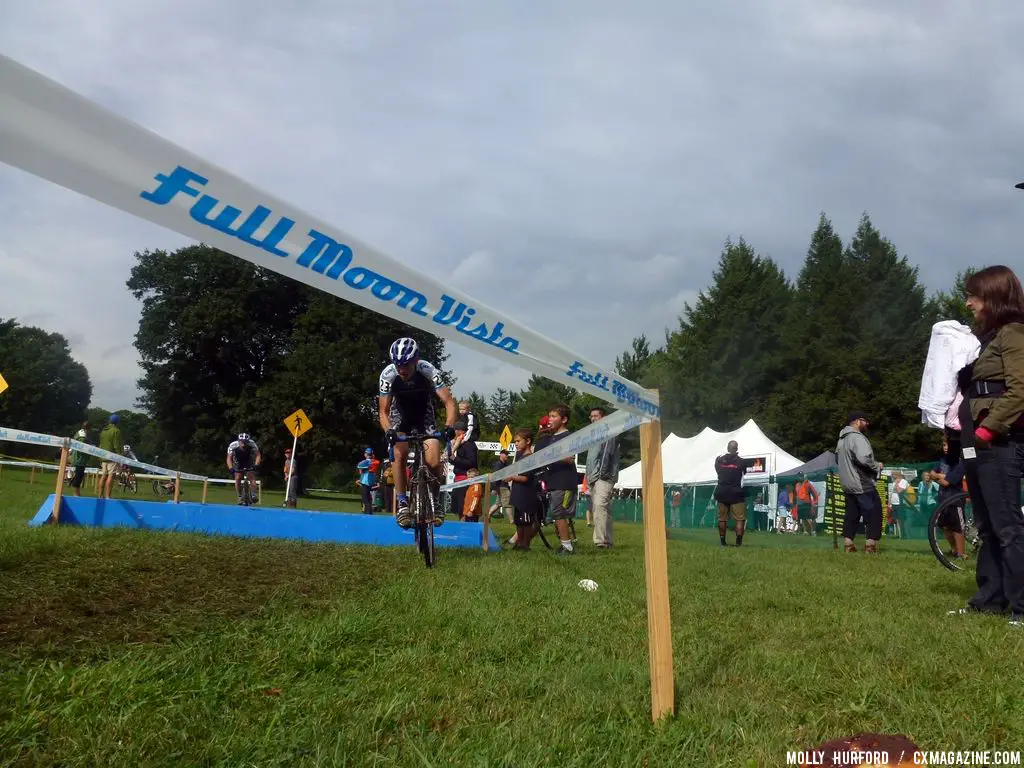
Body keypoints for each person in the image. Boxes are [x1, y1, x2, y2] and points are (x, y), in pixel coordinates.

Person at [951, 265, 1024, 624]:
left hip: (998, 444)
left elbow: (1020, 391)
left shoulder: (1014, 334)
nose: (969, 303)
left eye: (973, 296)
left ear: (993, 297)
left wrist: (988, 430)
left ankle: (1022, 608)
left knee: (1008, 526)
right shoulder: (990, 339)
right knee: (988, 526)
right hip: (977, 447)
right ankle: (990, 599)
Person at [378, 337, 457, 529]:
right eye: (397, 365)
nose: (401, 369)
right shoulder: (388, 374)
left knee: (434, 461)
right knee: (399, 453)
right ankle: (403, 503)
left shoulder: (428, 370)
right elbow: (384, 411)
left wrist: (449, 426)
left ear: (415, 360)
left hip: (424, 416)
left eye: (405, 365)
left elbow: (449, 402)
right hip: (400, 416)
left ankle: (435, 502)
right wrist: (389, 430)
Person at [535, 404, 579, 556]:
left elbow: (570, 459)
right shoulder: (551, 437)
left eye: (554, 416)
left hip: (564, 481)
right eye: (550, 416)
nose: (550, 419)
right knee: (556, 513)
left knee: (560, 513)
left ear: (564, 419)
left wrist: (551, 456)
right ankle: (564, 544)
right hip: (553, 480)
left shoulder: (567, 437)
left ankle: (567, 547)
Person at [836, 412, 884, 553]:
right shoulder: (857, 438)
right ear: (857, 421)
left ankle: (848, 543)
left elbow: (838, 460)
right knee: (874, 512)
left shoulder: (841, 440)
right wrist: (877, 466)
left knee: (852, 513)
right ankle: (870, 545)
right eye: (865, 421)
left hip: (847, 483)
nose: (867, 424)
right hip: (861, 482)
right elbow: (863, 458)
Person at [586, 406, 620, 549]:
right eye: (591, 416)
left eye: (596, 416)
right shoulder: (593, 435)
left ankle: (600, 541)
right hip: (593, 477)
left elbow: (607, 454)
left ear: (603, 417)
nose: (593, 419)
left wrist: (602, 474)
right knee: (603, 509)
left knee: (599, 506)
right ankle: (608, 540)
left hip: (603, 476)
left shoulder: (608, 432)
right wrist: (589, 478)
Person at [713, 441, 757, 546]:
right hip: (736, 493)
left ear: (727, 448)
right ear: (737, 449)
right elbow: (744, 473)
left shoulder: (719, 460)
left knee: (722, 519)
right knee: (740, 519)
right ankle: (738, 544)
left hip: (722, 492)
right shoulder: (741, 462)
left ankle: (723, 542)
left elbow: (718, 471)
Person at [508, 428, 541, 550]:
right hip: (518, 494)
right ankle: (519, 543)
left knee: (526, 522)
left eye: (518, 441)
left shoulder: (529, 458)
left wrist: (511, 477)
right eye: (515, 441)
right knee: (519, 521)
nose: (516, 444)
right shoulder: (519, 457)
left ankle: (525, 544)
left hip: (526, 496)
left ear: (528, 441)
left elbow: (525, 478)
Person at [226, 432, 261, 505]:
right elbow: (229, 458)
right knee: (238, 477)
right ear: (239, 441)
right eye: (242, 442)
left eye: (246, 442)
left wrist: (256, 465)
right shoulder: (233, 445)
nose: (244, 444)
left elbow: (258, 455)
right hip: (237, 461)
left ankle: (254, 494)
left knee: (251, 476)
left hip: (248, 460)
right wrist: (231, 468)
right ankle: (240, 496)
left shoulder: (252, 443)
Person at [98, 414, 123, 499]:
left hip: (103, 456)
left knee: (103, 475)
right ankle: (108, 496)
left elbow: (101, 444)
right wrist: (120, 457)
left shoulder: (103, 431)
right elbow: (116, 445)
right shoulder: (116, 431)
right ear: (117, 422)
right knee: (110, 475)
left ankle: (100, 495)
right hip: (112, 457)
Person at [69, 424, 90, 497]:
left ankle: (77, 492)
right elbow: (81, 449)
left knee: (79, 475)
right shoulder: (83, 438)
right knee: (79, 476)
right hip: (80, 459)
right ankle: (76, 493)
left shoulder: (78, 434)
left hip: (77, 458)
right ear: (88, 429)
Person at [356, 447, 379, 514]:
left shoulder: (366, 461)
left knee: (365, 498)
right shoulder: (374, 462)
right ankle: (369, 511)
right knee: (368, 497)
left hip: (365, 481)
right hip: (370, 481)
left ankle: (368, 512)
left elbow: (359, 466)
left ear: (366, 454)